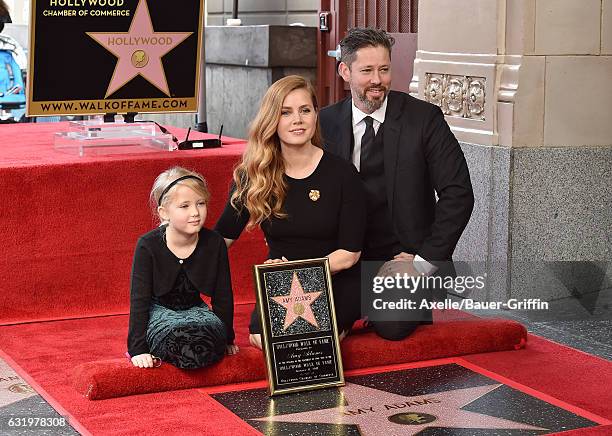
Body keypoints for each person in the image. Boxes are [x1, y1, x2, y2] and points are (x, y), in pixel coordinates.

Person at [320, 27, 474, 341]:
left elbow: (458, 193)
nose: (377, 79)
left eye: (385, 69)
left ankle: (380, 302)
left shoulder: (425, 119)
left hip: (406, 256)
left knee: (392, 326)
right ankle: (357, 303)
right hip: (347, 257)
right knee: (318, 324)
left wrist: (422, 262)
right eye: (367, 71)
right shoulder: (324, 122)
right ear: (345, 71)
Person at [215, 75, 366, 349]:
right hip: (281, 284)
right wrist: (175, 247)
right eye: (286, 112)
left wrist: (298, 273)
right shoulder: (255, 175)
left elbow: (349, 254)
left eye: (305, 110)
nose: (297, 119)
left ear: (315, 115)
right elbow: (221, 239)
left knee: (309, 338)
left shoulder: (343, 174)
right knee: (263, 338)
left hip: (336, 279)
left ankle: (340, 330)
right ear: (272, 120)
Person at [128, 167, 239, 369]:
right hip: (161, 312)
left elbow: (223, 295)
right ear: (164, 213)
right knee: (180, 340)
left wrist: (227, 337)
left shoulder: (214, 243)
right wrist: (138, 349)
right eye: (184, 206)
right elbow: (139, 299)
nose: (195, 212)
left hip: (196, 312)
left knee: (205, 341)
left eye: (200, 203)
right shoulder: (148, 245)